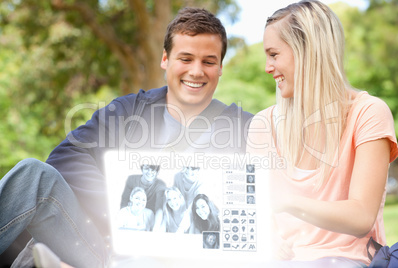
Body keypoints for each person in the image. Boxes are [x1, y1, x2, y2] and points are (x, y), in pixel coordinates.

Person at [1, 7, 253, 267]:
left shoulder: (245, 129)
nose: (197, 71)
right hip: (102, 248)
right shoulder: (129, 111)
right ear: (165, 59)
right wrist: (119, 207)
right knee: (33, 175)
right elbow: (65, 157)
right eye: (186, 59)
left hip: (187, 259)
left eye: (208, 62)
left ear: (220, 67)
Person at [246, 1, 398, 267]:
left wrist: (285, 202)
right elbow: (252, 209)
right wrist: (266, 235)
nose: (267, 67)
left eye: (274, 54)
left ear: (307, 52)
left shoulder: (368, 113)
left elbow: (361, 216)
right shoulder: (263, 124)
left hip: (344, 260)